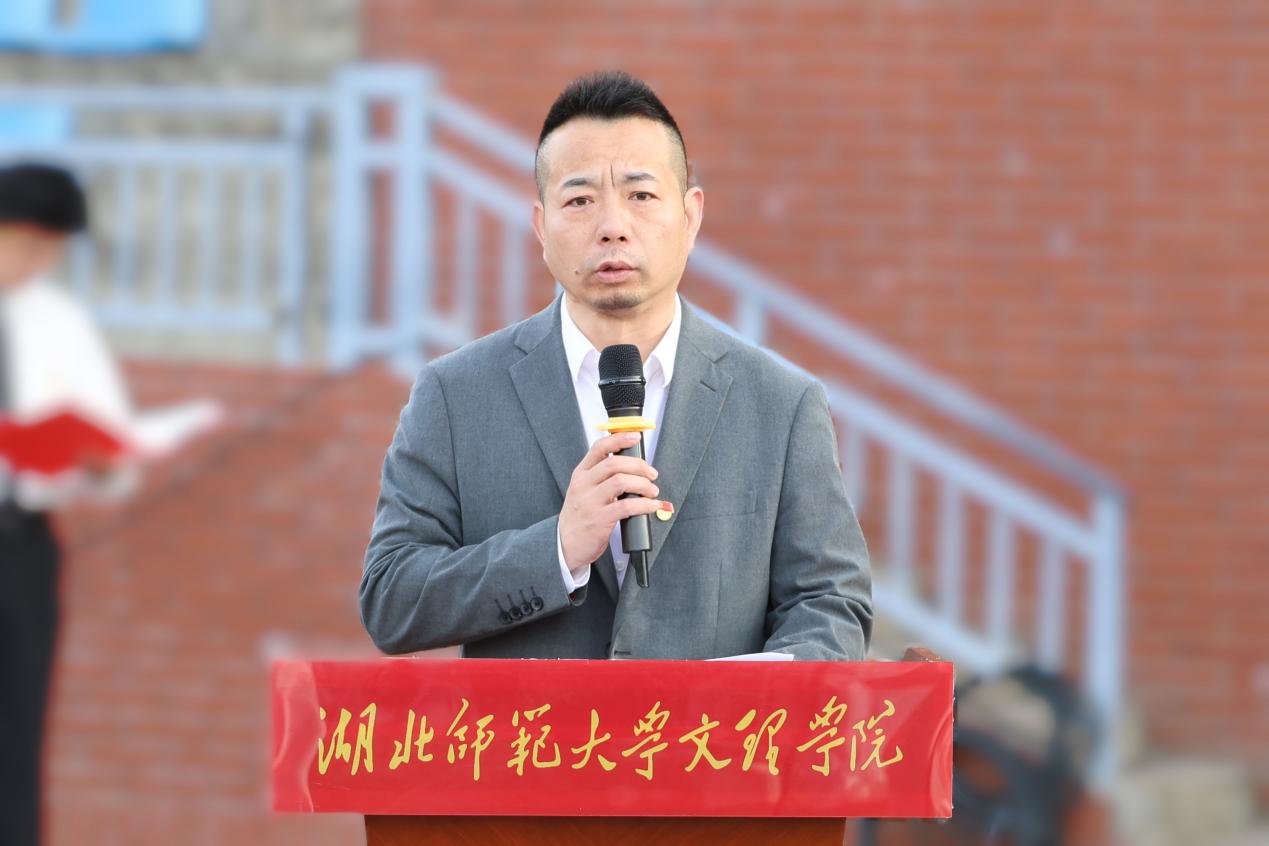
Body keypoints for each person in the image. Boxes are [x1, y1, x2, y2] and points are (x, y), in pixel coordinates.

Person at [360, 71, 872, 661]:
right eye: (580, 200)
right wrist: (557, 549)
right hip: (534, 727)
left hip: (715, 726)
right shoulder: (456, 395)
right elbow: (391, 599)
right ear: (541, 226)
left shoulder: (781, 404)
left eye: (641, 195)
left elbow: (832, 604)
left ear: (691, 216)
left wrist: (738, 693)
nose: (612, 227)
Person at [0, 163, 127, 846]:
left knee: (16, 739)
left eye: (51, 251)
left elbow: (112, 452)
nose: (37, 264)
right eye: (27, 246)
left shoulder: (60, 325)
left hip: (20, 547)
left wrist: (102, 466)